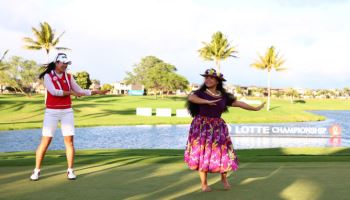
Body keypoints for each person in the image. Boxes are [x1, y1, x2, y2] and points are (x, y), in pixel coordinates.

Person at [184, 68, 265, 192]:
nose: (208, 79)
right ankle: (204, 184)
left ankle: (224, 179)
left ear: (217, 81)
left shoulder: (223, 96)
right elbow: (191, 98)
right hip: (202, 126)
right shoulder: (200, 93)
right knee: (203, 153)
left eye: (211, 78)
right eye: (206, 77)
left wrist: (255, 108)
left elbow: (238, 103)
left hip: (218, 127)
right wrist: (206, 101)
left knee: (224, 153)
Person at [30, 53, 108, 181]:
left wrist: (95, 92)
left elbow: (79, 90)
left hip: (67, 111)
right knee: (45, 141)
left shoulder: (69, 76)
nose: (65, 65)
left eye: (67, 63)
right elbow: (54, 91)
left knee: (69, 142)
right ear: (57, 63)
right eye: (63, 63)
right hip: (51, 112)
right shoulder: (47, 76)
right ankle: (36, 170)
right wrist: (71, 92)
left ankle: (70, 170)